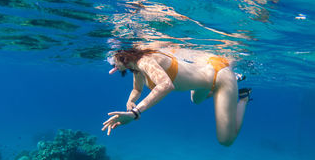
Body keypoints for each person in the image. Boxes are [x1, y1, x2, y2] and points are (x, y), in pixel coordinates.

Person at [102, 46, 251, 146]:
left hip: (219, 77)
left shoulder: (144, 61)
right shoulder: (136, 68)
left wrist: (135, 113)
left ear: (122, 56)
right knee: (196, 100)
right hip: (206, 73)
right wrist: (130, 103)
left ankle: (243, 98)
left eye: (113, 60)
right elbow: (137, 90)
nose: (112, 63)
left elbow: (166, 85)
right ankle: (233, 78)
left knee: (225, 140)